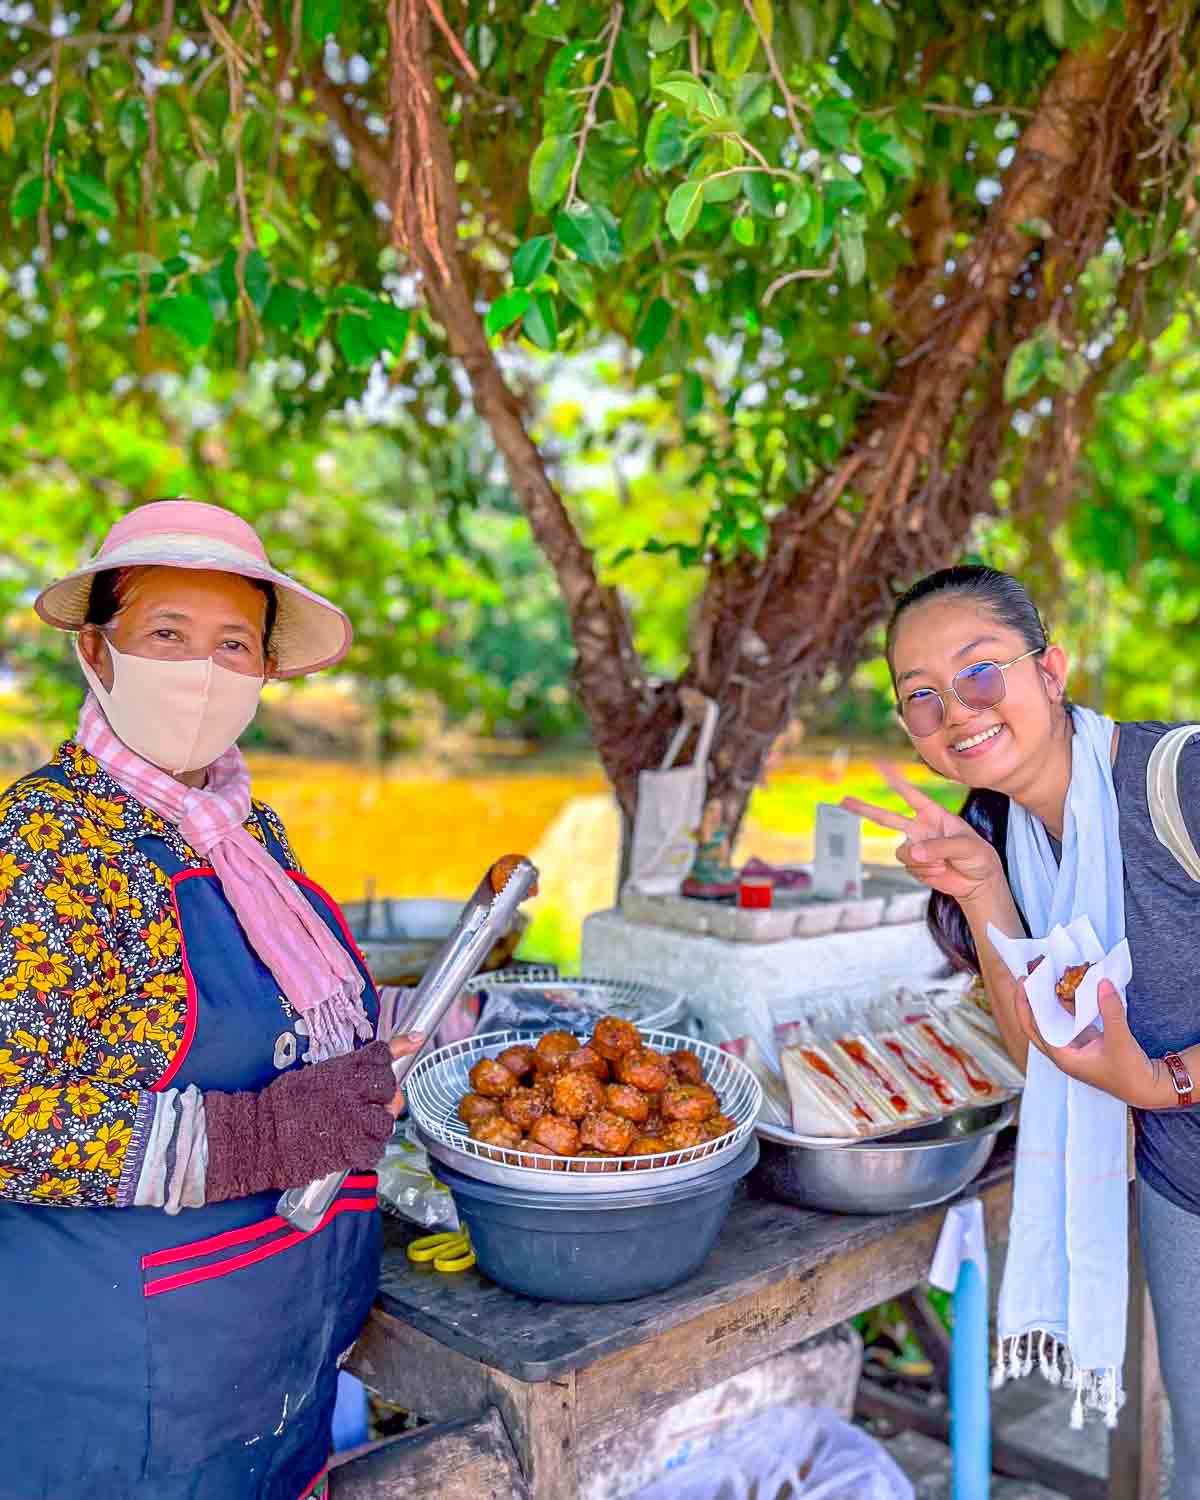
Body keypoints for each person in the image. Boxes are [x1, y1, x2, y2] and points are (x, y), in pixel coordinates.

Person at [0, 500, 423, 1500]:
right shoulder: (45, 844)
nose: (202, 671)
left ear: (265, 673)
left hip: (268, 1369)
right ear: (98, 653)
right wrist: (262, 1140)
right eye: (168, 636)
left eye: (234, 644)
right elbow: (11, 1117)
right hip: (109, 1397)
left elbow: (292, 1020)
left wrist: (427, 1028)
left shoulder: (248, 832)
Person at [844, 564, 1199, 1492]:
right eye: (920, 696)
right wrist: (984, 890)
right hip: (1184, 1191)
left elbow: (1130, 1072)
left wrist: (1164, 1085)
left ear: (1052, 670)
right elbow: (1038, 1038)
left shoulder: (1180, 782)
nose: (956, 710)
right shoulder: (1008, 843)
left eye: (980, 671)